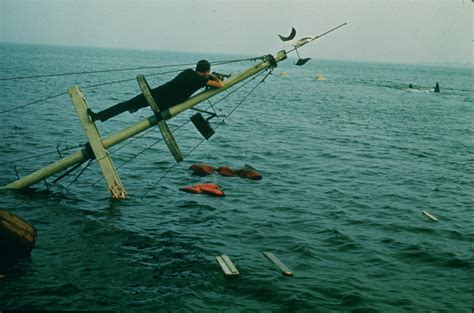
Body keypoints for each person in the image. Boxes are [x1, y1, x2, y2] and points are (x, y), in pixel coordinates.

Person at [88, 60, 224, 122]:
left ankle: (99, 116)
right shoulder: (201, 80)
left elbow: (191, 79)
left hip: (156, 93)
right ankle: (104, 116)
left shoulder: (188, 72)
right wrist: (213, 77)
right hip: (164, 104)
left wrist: (207, 76)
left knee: (126, 104)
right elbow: (220, 85)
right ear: (206, 71)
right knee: (129, 105)